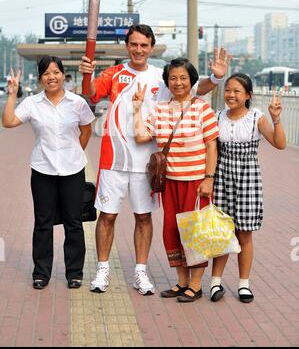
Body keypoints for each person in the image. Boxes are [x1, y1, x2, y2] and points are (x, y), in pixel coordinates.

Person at [79, 24, 230, 296]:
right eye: (134, 44)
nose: (138, 50)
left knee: (144, 218)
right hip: (113, 158)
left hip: (148, 165)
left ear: (151, 47)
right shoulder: (114, 74)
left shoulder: (161, 79)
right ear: (127, 46)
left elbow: (192, 89)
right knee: (107, 217)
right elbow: (90, 93)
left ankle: (140, 271)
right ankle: (102, 270)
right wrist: (86, 73)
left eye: (144, 45)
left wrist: (217, 79)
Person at [2, 56, 95, 290]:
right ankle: (41, 273)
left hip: (73, 170)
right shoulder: (33, 103)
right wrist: (12, 94)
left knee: (73, 222)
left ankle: (74, 273)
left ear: (63, 75)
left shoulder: (77, 103)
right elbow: (9, 122)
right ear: (41, 78)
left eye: (56, 72)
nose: (51, 77)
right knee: (43, 222)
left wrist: (73, 153)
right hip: (42, 169)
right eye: (46, 73)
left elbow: (86, 130)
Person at [132, 58, 219, 302]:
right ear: (167, 82)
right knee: (172, 231)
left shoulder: (202, 108)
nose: (178, 82)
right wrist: (137, 109)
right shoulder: (159, 110)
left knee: (195, 232)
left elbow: (212, 145)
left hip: (196, 182)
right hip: (169, 182)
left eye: (183, 78)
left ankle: (195, 284)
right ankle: (181, 282)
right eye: (173, 78)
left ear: (192, 80)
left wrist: (208, 178)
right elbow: (141, 137)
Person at [210, 73, 286, 303]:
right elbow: (211, 149)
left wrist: (276, 119)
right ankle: (215, 283)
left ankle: (244, 284)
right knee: (221, 231)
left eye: (237, 91)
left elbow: (280, 144)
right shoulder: (217, 116)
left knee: (244, 233)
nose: (231, 95)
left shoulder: (256, 117)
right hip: (222, 177)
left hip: (247, 178)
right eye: (228, 90)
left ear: (248, 95)